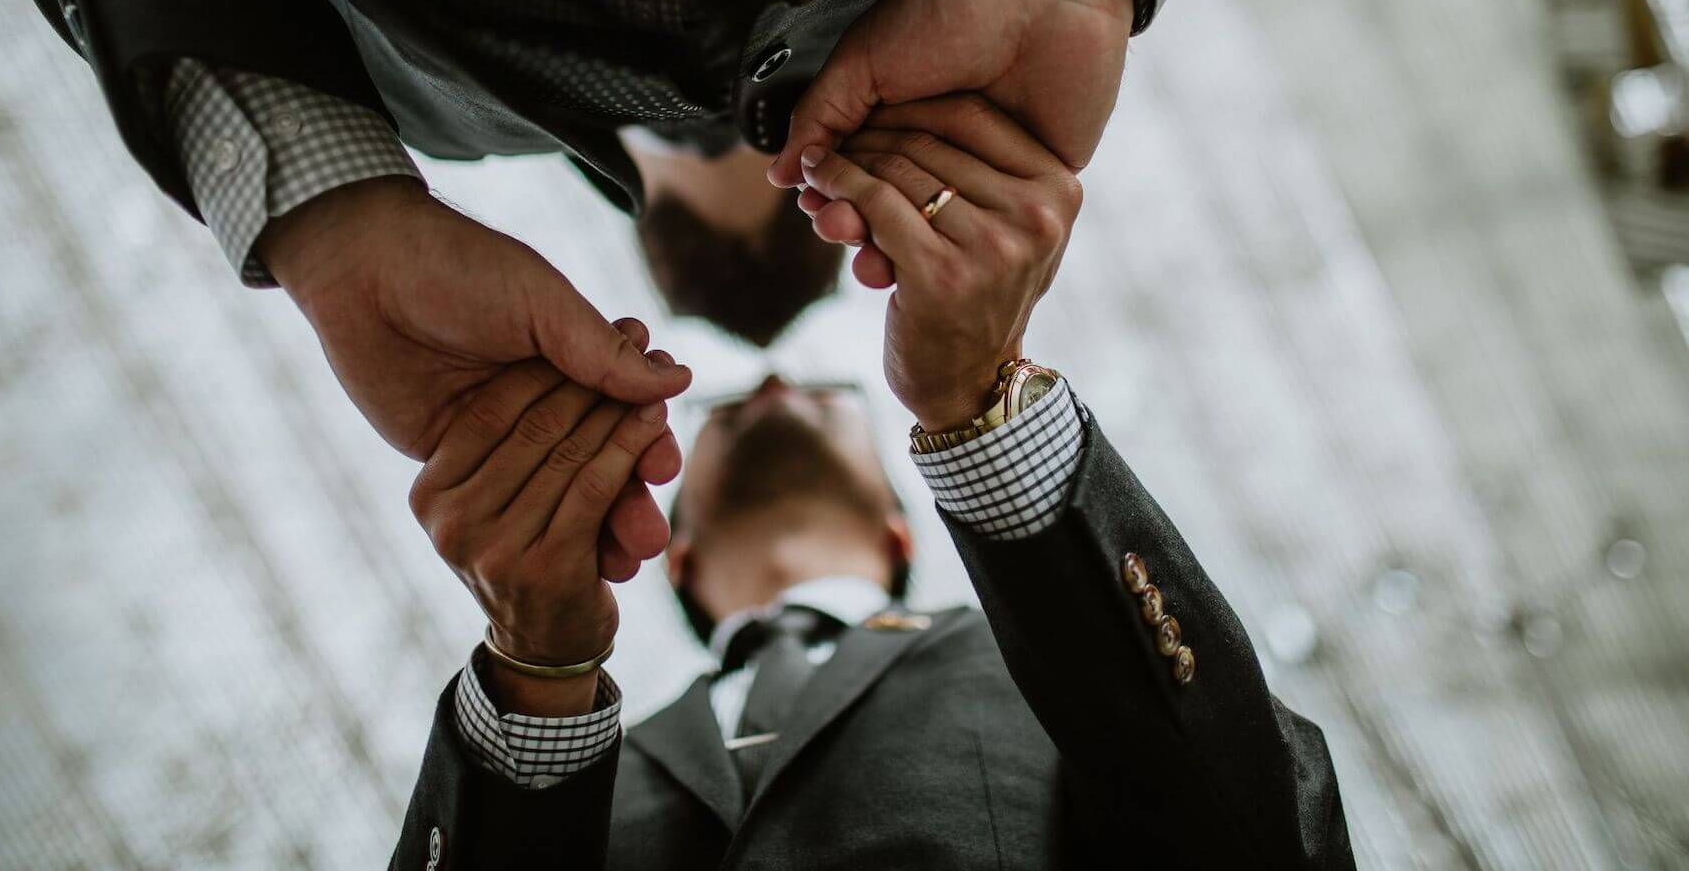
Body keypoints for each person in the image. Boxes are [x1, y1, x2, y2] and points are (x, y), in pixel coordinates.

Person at [0, 0, 1364, 549]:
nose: (770, 158)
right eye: (818, 188)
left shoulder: (416, 109)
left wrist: (330, 222)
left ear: (641, 224)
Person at [394, 97, 1353, 868]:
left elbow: (1244, 826)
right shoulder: (595, 758)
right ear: (670, 552)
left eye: (818, 390)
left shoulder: (1049, 667)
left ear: (902, 528)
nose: (774, 383)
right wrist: (539, 666)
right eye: (731, 407)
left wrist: (977, 401)